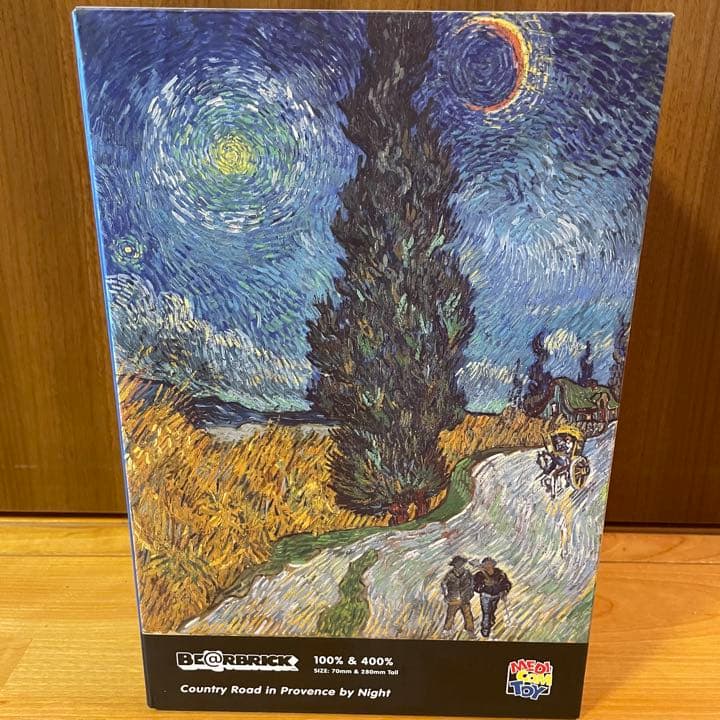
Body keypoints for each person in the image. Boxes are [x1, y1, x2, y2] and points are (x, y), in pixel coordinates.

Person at [473, 557, 512, 638]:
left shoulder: (500, 573)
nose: (488, 565)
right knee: (486, 613)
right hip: (485, 596)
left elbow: (507, 584)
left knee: (492, 611)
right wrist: (483, 585)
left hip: (496, 596)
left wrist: (504, 591)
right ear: (483, 565)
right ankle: (485, 630)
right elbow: (475, 586)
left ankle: (490, 621)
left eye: (489, 563)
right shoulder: (479, 575)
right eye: (485, 564)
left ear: (493, 564)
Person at [441, 555, 475, 635]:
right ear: (454, 564)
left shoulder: (467, 573)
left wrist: (470, 594)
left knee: (468, 615)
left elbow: (472, 584)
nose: (459, 564)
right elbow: (443, 584)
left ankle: (470, 631)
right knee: (450, 615)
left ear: (463, 563)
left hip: (465, 598)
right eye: (457, 563)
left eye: (460, 562)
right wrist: (446, 595)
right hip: (453, 598)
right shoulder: (450, 574)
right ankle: (447, 630)